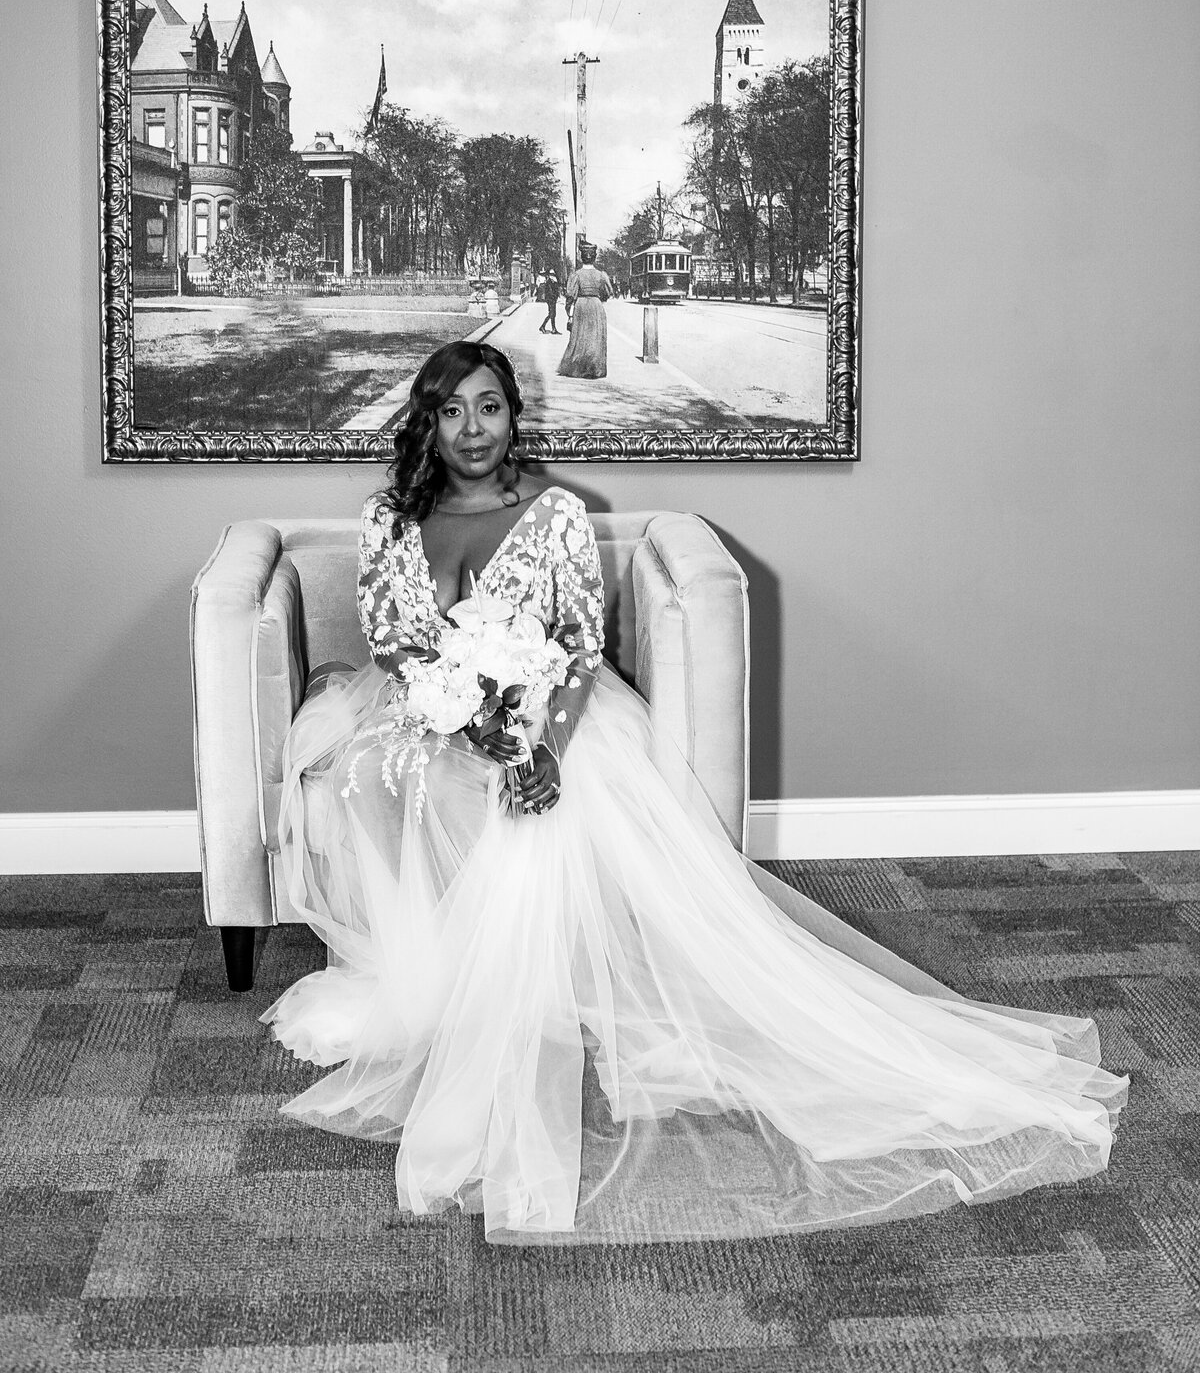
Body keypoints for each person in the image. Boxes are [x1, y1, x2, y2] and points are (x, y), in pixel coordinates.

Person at [263, 342, 1127, 1244]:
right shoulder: (390, 516)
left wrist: (540, 743)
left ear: (515, 415)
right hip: (420, 706)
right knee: (375, 774)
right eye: (451, 411)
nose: (472, 429)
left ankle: (522, 989)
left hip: (548, 709)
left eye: (489, 407)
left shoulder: (555, 514)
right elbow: (392, 640)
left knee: (533, 805)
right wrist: (461, 717)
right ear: (428, 422)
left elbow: (577, 645)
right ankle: (428, 980)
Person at [558, 241, 613, 378]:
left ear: (581, 257)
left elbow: (570, 296)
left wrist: (569, 313)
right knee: (595, 337)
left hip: (581, 305)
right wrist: (598, 298)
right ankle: (594, 368)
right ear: (594, 257)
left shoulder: (576, 275)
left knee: (579, 336)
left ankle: (578, 367)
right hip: (596, 305)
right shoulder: (601, 275)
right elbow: (607, 293)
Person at [538, 268, 561, 334]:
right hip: (550, 300)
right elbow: (550, 292)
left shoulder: (553, 281)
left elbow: (557, 289)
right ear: (549, 275)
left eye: (553, 274)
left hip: (553, 300)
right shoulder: (549, 282)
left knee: (552, 314)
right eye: (551, 274)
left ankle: (550, 328)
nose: (552, 275)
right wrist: (554, 297)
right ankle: (546, 327)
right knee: (551, 314)